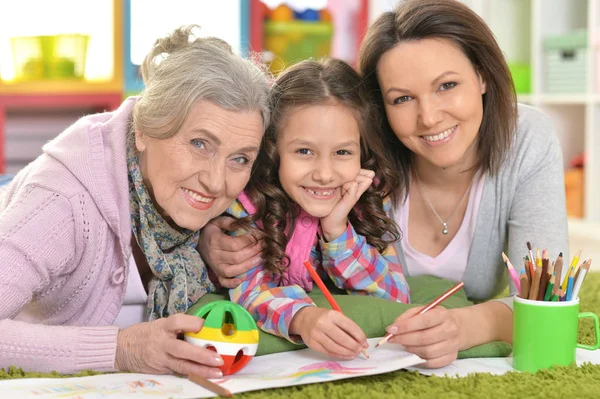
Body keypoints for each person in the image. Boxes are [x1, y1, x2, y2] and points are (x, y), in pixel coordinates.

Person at [199, 0, 568, 368]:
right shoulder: (366, 159)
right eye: (402, 98)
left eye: (447, 85)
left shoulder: (526, 140)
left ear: (483, 75)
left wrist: (466, 325)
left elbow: (545, 299)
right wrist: (208, 235)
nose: (428, 117)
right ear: (378, 108)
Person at [0, 25, 270, 376]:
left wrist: (204, 243)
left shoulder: (208, 213)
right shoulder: (62, 203)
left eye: (240, 159)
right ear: (143, 131)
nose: (217, 182)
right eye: (199, 144)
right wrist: (120, 349)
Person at [226, 58, 410, 360]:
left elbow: (395, 296)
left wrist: (337, 230)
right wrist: (303, 319)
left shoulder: (366, 203)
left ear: (361, 152)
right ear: (274, 150)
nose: (324, 174)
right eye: (304, 151)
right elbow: (249, 290)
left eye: (342, 152)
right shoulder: (249, 204)